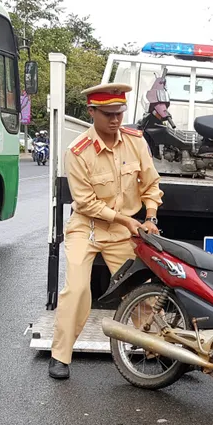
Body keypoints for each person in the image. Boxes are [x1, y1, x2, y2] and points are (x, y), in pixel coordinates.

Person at [48, 83, 163, 379]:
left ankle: (160, 351)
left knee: (140, 289)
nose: (115, 120)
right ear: (92, 112)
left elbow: (151, 185)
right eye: (108, 114)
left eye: (120, 113)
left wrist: (150, 215)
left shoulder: (136, 141)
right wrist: (126, 221)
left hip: (122, 230)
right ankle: (60, 356)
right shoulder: (78, 152)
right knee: (77, 289)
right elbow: (85, 203)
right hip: (86, 228)